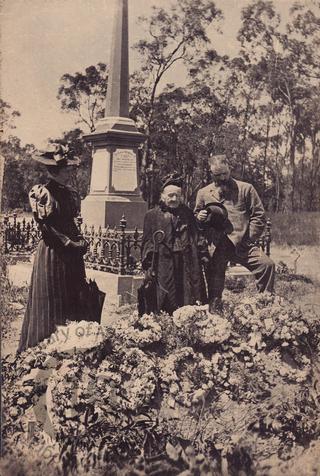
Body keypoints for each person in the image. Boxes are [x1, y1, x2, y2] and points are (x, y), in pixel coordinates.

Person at [18, 144, 88, 352]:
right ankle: (43, 351)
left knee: (72, 295)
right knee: (51, 299)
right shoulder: (43, 193)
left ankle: (69, 348)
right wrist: (69, 243)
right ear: (55, 171)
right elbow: (46, 227)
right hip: (53, 252)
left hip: (72, 253)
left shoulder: (70, 193)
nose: (70, 174)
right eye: (67, 170)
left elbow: (71, 222)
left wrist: (80, 239)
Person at [195, 154, 275, 312]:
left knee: (267, 265)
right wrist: (200, 217)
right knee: (214, 279)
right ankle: (215, 314)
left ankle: (265, 308)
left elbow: (259, 216)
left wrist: (249, 237)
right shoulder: (203, 193)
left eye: (225, 173)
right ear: (211, 174)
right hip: (216, 247)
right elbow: (196, 218)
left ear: (229, 169)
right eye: (218, 175)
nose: (222, 178)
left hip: (242, 244)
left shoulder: (245, 189)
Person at [139, 173, 206, 315]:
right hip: (162, 261)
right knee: (165, 294)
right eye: (170, 195)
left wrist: (203, 254)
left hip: (185, 260)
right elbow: (147, 241)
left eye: (177, 195)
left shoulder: (187, 213)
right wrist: (150, 259)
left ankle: (186, 321)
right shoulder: (152, 215)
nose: (174, 199)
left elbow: (196, 236)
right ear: (162, 196)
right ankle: (164, 321)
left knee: (186, 292)